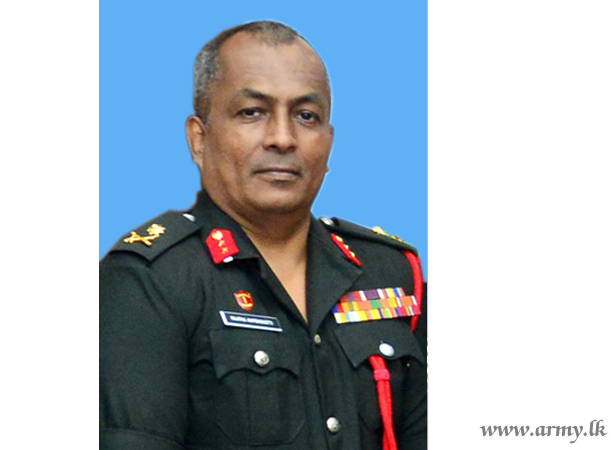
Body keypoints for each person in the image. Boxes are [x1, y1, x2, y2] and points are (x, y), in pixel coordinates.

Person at [100, 20, 427, 450]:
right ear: (199, 139)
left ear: (329, 142)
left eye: (306, 116)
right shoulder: (150, 280)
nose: (282, 138)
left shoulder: (390, 273)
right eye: (252, 112)